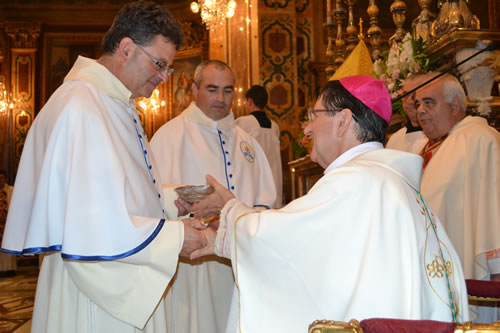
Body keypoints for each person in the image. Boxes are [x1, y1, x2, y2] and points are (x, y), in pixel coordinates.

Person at [188, 75, 470, 332]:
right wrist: (225, 238)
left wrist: (230, 210)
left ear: (343, 121)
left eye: (314, 115)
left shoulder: (356, 180)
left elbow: (282, 242)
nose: (308, 129)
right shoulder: (384, 180)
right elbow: (312, 251)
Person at [0, 2, 207, 332]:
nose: (165, 77)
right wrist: (175, 237)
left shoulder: (112, 102)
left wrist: (169, 200)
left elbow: (113, 192)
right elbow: (90, 223)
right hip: (97, 293)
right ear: (126, 48)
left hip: (117, 275)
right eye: (159, 64)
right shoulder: (82, 106)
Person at [150, 60, 276, 333]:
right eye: (212, 89)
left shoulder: (247, 141)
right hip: (193, 265)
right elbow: (150, 200)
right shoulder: (169, 136)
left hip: (241, 261)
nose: (221, 98)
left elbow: (267, 198)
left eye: (228, 90)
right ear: (194, 90)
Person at [415, 73, 500, 321]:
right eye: (418, 103)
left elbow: (493, 208)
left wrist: (496, 274)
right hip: (437, 270)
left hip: (477, 278)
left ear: (455, 105)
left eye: (429, 102)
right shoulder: (438, 144)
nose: (420, 111)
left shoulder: (482, 140)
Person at [235, 85, 283, 207]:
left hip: (253, 183)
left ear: (250, 101)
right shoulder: (275, 126)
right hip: (273, 182)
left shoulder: (243, 123)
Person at [385, 73, 428, 153]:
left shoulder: (436, 135)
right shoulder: (394, 139)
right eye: (406, 95)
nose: (409, 101)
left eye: (415, 95)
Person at [0, 170, 15, 277]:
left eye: (2, 177)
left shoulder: (11, 190)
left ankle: (10, 268)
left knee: (9, 245)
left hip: (9, 223)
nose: (0, 180)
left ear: (5, 179)